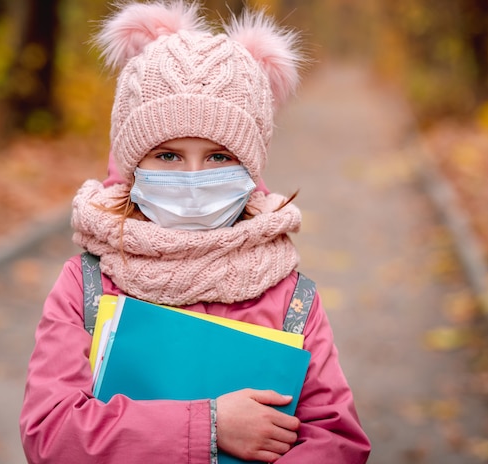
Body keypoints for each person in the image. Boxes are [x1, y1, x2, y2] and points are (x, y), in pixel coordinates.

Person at [19, 1, 371, 463]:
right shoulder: (87, 285)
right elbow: (50, 432)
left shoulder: (289, 296)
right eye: (167, 155)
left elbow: (336, 439)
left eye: (219, 157)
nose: (192, 176)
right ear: (132, 164)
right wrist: (207, 426)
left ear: (250, 166)